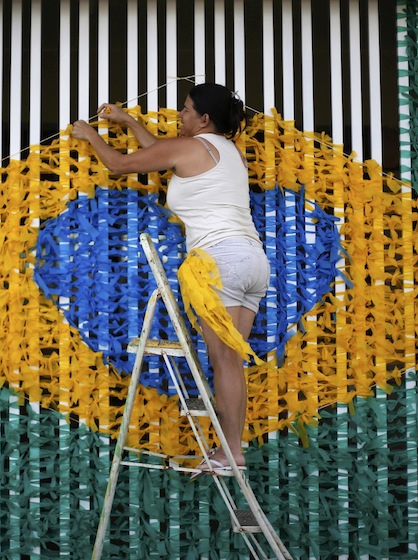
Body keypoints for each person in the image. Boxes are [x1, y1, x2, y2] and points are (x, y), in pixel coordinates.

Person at [71, 83, 270, 476]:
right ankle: (230, 449)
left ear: (204, 119)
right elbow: (161, 152)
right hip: (252, 261)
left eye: (185, 110)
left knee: (224, 361)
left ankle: (229, 452)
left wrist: (90, 134)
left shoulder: (191, 147)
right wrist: (128, 121)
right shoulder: (227, 152)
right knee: (230, 362)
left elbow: (120, 165)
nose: (181, 116)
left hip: (220, 263)